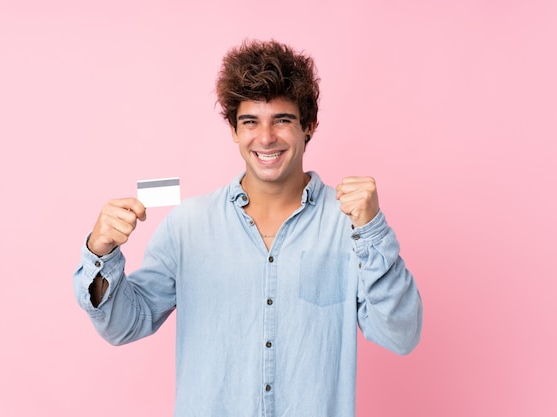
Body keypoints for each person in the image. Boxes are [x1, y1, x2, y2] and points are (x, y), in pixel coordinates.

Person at [74, 39, 422, 417]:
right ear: (234, 131)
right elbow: (124, 325)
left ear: (309, 125)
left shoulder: (350, 227)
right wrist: (101, 252)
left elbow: (400, 335)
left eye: (283, 120)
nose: (266, 137)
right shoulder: (188, 226)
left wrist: (371, 229)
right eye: (250, 121)